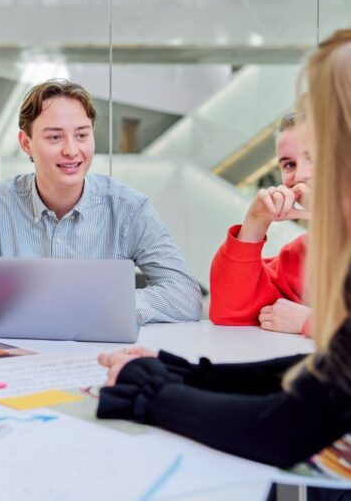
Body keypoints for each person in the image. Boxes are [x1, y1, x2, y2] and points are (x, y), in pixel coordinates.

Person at [96, 29, 351, 487]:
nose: (305, 176)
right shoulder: (318, 252)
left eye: (324, 150)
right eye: (292, 163)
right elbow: (319, 370)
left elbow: (287, 426)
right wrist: (181, 372)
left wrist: (152, 390)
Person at [0, 79, 202, 324]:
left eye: (82, 135)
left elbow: (185, 296)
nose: (71, 150)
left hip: (99, 353)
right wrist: (22, 299)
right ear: (26, 143)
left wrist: (104, 305)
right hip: (19, 356)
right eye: (55, 137)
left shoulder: (129, 208)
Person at [209, 111, 313, 335]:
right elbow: (230, 311)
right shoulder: (306, 253)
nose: (300, 175)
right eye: (289, 165)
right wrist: (255, 223)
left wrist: (314, 322)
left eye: (313, 158)